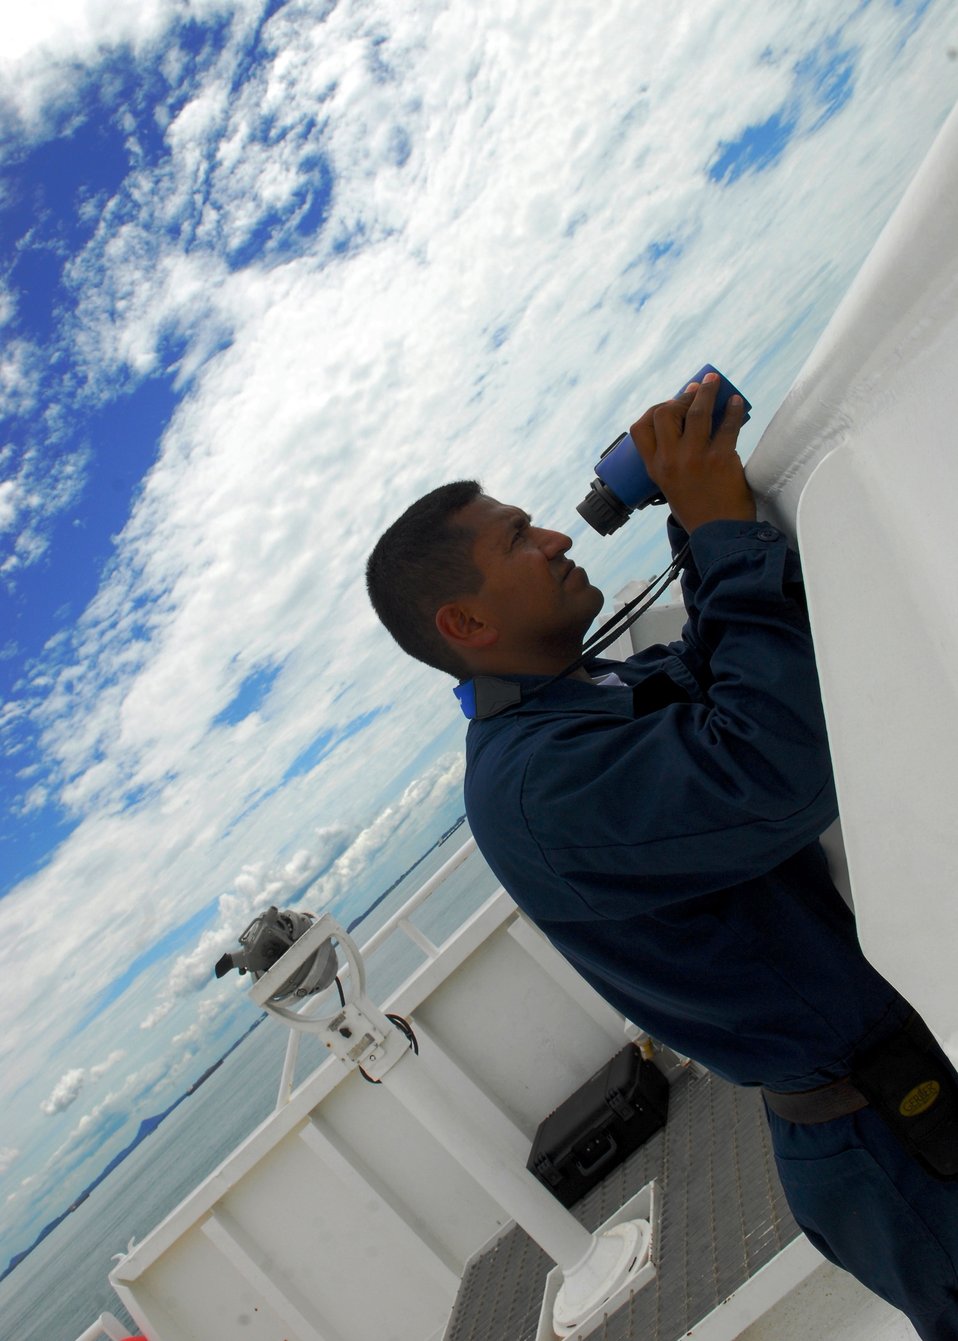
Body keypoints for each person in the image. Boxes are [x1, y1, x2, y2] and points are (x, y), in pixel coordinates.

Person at [366, 373, 958, 1338]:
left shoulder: (584, 695)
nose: (555, 537)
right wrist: (722, 528)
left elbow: (725, 670)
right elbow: (778, 765)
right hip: (895, 1135)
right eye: (519, 538)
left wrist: (695, 518)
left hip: (906, 1071)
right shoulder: (534, 783)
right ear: (466, 625)